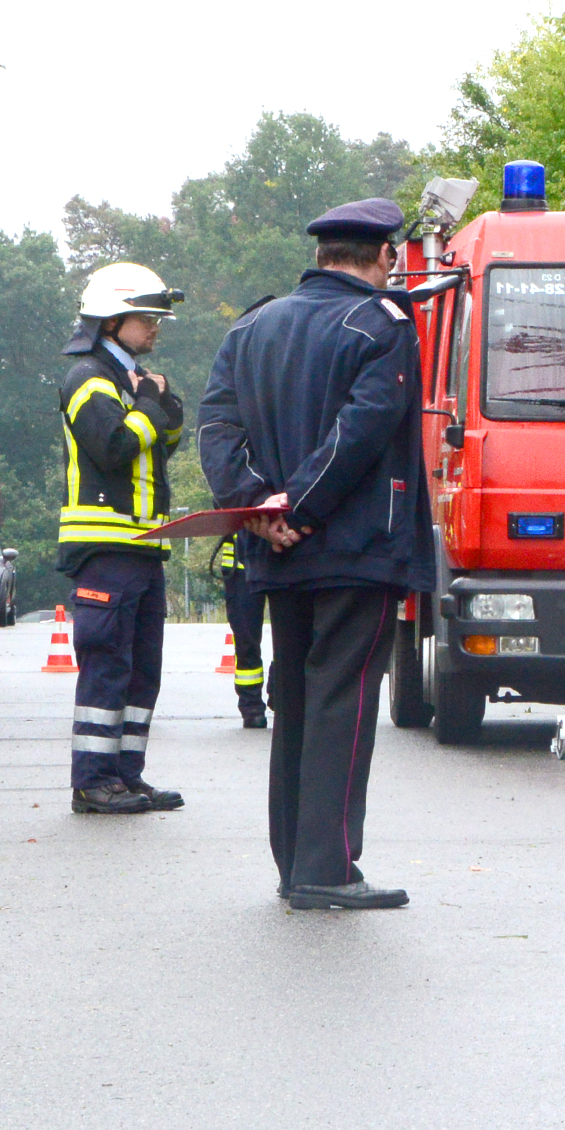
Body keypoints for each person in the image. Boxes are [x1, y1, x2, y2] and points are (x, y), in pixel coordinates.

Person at [199, 197, 434, 911]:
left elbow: (217, 427)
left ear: (321, 254)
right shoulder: (383, 323)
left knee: (297, 699)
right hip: (355, 544)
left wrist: (258, 507)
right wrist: (299, 507)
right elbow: (363, 428)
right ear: (384, 255)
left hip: (276, 548)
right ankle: (327, 867)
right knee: (344, 701)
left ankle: (295, 863)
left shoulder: (253, 326)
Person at [58, 263, 187, 815]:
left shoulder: (130, 379)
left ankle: (126, 775)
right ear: (111, 321)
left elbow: (163, 442)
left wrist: (162, 405)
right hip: (106, 550)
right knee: (107, 666)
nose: (155, 326)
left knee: (141, 671)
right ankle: (93, 782)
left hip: (142, 547)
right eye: (146, 317)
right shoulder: (89, 378)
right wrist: (150, 406)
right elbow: (112, 447)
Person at [214, 533, 268, 728]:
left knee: (289, 638)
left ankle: (283, 696)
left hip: (284, 561)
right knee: (246, 640)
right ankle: (251, 707)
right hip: (240, 565)